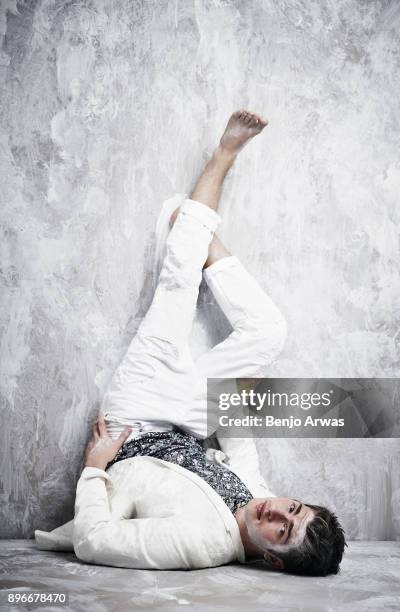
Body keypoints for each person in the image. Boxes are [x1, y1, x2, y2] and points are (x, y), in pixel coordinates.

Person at [35, 110, 346, 576]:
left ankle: (222, 160)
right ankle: (200, 238)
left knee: (176, 287)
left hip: (133, 424)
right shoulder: (259, 492)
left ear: (271, 558)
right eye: (294, 508)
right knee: (268, 331)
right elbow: (237, 443)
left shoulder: (199, 544)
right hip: (186, 419)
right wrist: (239, 393)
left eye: (283, 530)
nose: (276, 512)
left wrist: (96, 469)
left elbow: (96, 541)